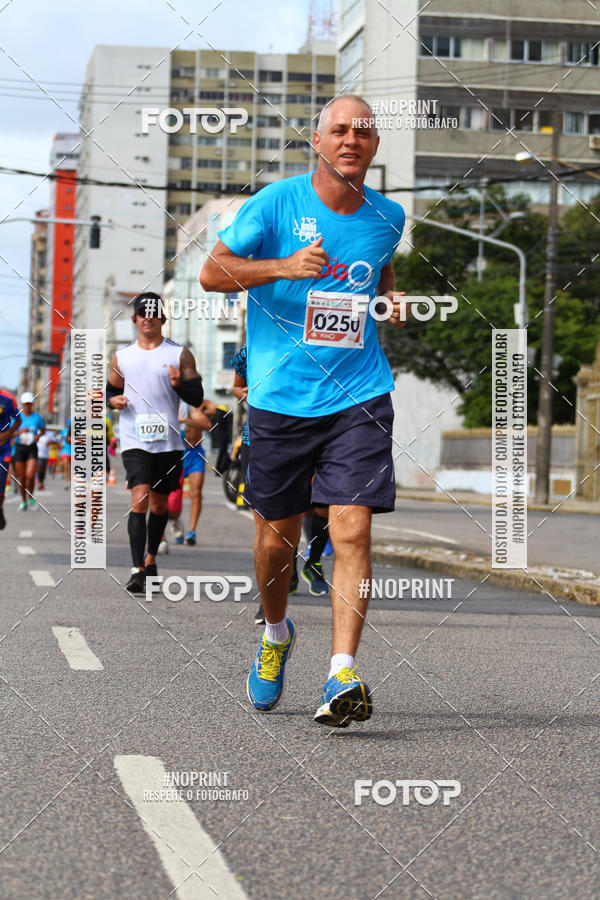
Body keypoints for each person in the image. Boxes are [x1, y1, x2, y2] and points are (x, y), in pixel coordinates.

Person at [201, 94, 407, 728]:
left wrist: (390, 303)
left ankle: (342, 673)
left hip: (359, 394)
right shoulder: (275, 204)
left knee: (353, 528)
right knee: (276, 543)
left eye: (363, 131)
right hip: (280, 396)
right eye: (339, 129)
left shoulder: (389, 217)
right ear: (317, 141)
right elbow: (212, 274)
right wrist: (283, 266)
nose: (351, 138)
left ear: (375, 146)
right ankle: (275, 632)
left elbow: (378, 272)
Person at [106, 292, 204, 594]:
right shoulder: (122, 356)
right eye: (142, 312)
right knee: (139, 498)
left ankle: (150, 561)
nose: (148, 316)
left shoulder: (180, 354)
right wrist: (115, 401)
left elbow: (197, 397)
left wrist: (180, 384)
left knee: (160, 504)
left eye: (154, 312)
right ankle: (136, 568)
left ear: (162, 318)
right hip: (134, 439)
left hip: (168, 442)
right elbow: (109, 392)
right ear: (135, 318)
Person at [232, 345, 330, 625]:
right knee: (268, 522)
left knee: (318, 506)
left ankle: (314, 561)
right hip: (261, 436)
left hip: (310, 434)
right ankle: (269, 600)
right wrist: (246, 393)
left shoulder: (317, 342)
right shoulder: (249, 350)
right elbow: (237, 387)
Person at [179, 398, 216, 545]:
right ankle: (174, 522)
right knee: (170, 495)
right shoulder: (175, 401)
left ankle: (191, 531)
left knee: (196, 492)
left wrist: (198, 411)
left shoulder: (199, 402)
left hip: (196, 452)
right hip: (178, 452)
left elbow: (213, 410)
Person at [14, 392, 45, 510]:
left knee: (30, 475)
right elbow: (10, 433)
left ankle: (31, 496)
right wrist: (20, 432)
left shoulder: (37, 418)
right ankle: (23, 501)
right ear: (22, 404)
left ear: (32, 404)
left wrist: (38, 436)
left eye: (29, 403)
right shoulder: (17, 417)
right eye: (25, 404)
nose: (27, 406)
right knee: (21, 477)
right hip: (19, 448)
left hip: (32, 448)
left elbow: (43, 430)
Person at [0, 387, 20, 529]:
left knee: (0, 491)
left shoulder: (8, 399)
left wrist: (8, 434)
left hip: (3, 451)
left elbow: (18, 420)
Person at [59, 419, 71, 489]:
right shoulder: (63, 431)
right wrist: (60, 444)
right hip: (65, 450)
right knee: (66, 465)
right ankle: (67, 482)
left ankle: (71, 481)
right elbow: (60, 440)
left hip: (74, 450)